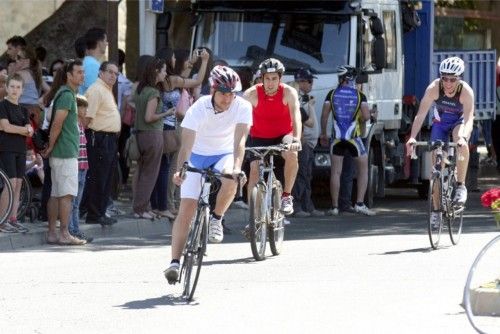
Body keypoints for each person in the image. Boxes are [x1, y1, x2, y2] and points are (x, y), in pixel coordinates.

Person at [164, 66, 252, 284]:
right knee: (186, 208)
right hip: (197, 155)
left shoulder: (243, 106)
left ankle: (217, 218)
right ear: (213, 91)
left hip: (224, 153)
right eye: (223, 93)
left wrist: (237, 167)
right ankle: (174, 262)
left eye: (232, 93)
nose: (228, 99)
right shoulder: (199, 107)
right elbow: (186, 145)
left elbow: (240, 142)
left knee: (231, 176)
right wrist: (182, 169)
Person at [406, 56, 474, 226]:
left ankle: (460, 186)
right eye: (445, 78)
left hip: (459, 123)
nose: (448, 83)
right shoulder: (434, 88)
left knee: (461, 141)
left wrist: (463, 138)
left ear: (459, 78)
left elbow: (468, 120)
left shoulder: (466, 92)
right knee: (436, 168)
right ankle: (436, 211)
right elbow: (420, 115)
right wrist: (412, 137)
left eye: (452, 79)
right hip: (441, 124)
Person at [243, 58, 301, 215]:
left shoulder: (289, 92)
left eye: (274, 78)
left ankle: (287, 196)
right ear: (261, 79)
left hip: (283, 135)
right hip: (258, 136)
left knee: (292, 154)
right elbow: (240, 120)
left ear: (280, 78)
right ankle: (253, 217)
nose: (270, 83)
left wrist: (296, 139)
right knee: (254, 170)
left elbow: (296, 116)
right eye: (267, 79)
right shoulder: (251, 95)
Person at [320, 65, 376, 216]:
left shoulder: (331, 94)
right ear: (351, 78)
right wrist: (370, 115)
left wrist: (323, 134)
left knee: (335, 172)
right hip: (353, 139)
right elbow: (365, 117)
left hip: (336, 138)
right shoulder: (359, 96)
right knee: (363, 169)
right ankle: (359, 203)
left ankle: (334, 207)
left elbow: (324, 116)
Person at [42, 59, 86, 245]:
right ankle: (64, 234)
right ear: (68, 75)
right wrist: (51, 146)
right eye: (78, 72)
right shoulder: (67, 95)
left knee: (55, 194)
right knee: (66, 195)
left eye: (83, 72)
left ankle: (53, 233)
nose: (82, 75)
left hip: (61, 152)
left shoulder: (63, 93)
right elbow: (57, 123)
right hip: (65, 152)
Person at [82, 61, 121, 225]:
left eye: (116, 73)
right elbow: (87, 119)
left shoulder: (106, 90)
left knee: (106, 177)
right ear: (101, 73)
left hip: (109, 139)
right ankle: (94, 213)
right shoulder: (96, 90)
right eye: (110, 72)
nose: (113, 76)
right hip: (99, 138)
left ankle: (100, 212)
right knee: (99, 176)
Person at [132, 57, 169, 219]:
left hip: (140, 134)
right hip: (152, 134)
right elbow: (149, 117)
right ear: (156, 71)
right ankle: (140, 209)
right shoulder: (153, 92)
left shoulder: (141, 89)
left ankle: (142, 207)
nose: (166, 73)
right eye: (164, 70)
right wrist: (167, 113)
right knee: (150, 174)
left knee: (143, 173)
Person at [0, 73, 33, 233]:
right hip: (6, 149)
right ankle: (2, 220)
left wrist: (25, 130)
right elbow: (6, 127)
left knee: (18, 185)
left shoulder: (23, 110)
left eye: (18, 87)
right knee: (10, 184)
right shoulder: (2, 106)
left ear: (22, 90)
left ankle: (13, 219)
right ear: (6, 88)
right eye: (12, 86)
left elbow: (31, 131)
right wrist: (24, 130)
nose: (14, 90)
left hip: (20, 150)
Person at [291, 68, 324, 217]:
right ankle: (297, 207)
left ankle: (308, 205)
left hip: (309, 143)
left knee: (307, 175)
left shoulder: (304, 98)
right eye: (308, 81)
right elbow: (303, 122)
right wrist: (301, 137)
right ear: (301, 82)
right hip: (303, 142)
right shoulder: (297, 100)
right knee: (301, 174)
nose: (311, 84)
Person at [68, 95, 93, 242]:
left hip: (83, 166)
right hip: (75, 167)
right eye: (83, 107)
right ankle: (71, 229)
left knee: (77, 203)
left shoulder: (81, 125)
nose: (85, 110)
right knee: (72, 201)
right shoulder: (73, 124)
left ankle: (76, 229)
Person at [80, 27, 107, 94]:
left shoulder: (88, 63)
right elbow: (95, 95)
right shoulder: (92, 66)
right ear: (99, 43)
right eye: (105, 40)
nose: (107, 44)